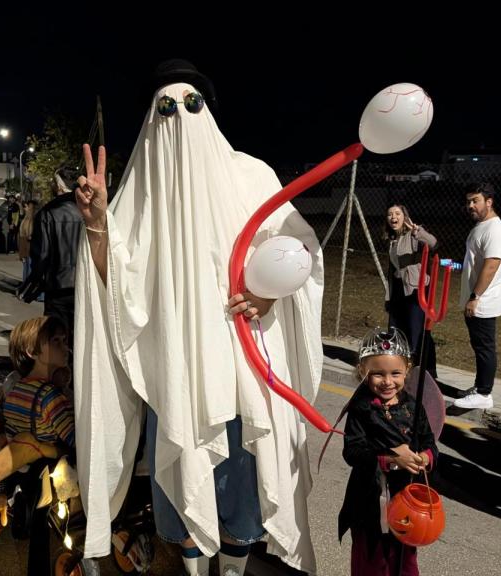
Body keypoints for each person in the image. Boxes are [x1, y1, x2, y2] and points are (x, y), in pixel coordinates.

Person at [73, 59, 323, 575]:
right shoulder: (140, 192)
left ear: (208, 112)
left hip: (240, 369)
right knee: (184, 484)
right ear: (152, 118)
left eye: (193, 104)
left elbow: (299, 249)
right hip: (177, 376)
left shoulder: (253, 177)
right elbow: (115, 287)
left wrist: (269, 295)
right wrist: (98, 225)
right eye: (167, 107)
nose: (181, 116)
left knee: (240, 492)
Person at [338, 328, 437, 576]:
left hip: (405, 498)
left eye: (395, 373)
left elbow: (430, 443)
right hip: (369, 500)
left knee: (403, 558)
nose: (387, 381)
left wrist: (424, 457)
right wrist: (393, 459)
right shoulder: (361, 408)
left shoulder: (414, 408)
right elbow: (353, 451)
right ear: (363, 371)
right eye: (377, 374)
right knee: (372, 560)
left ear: (407, 370)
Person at [0, 316, 75, 576]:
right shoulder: (50, 398)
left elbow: (6, 435)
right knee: (41, 530)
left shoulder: (15, 390)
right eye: (55, 341)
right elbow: (73, 438)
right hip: (48, 470)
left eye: (65, 340)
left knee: (37, 518)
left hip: (22, 466)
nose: (64, 347)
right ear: (32, 352)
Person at [453, 182, 501, 410]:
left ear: (489, 202)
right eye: (468, 201)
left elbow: (491, 265)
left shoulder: (495, 229)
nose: (470, 206)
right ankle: (479, 387)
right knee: (479, 346)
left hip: (483, 301)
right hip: (475, 299)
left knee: (485, 347)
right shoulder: (481, 226)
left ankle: (484, 394)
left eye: (475, 200)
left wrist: (475, 296)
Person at [18, 172, 82, 324]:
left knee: (56, 338)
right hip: (86, 285)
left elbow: (42, 255)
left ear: (59, 185)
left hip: (57, 287)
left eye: (53, 181)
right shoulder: (88, 211)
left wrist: (31, 284)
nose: (51, 185)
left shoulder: (48, 212)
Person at [384, 203, 438, 375]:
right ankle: (399, 365)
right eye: (390, 214)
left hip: (415, 291)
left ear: (404, 216)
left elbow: (433, 243)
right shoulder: (392, 239)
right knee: (395, 329)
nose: (393, 217)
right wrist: (388, 297)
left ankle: (423, 370)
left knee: (416, 332)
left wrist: (417, 231)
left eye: (397, 213)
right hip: (399, 290)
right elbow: (392, 271)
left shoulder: (414, 235)